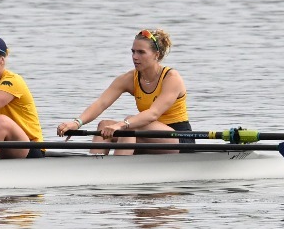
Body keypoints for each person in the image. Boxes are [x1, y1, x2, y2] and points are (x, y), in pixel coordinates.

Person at [56, 29, 192, 154]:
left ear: (156, 55)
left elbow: (153, 114)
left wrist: (122, 124)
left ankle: (118, 172)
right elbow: (101, 103)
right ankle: (93, 170)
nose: (135, 57)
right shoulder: (128, 79)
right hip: (147, 134)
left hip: (179, 138)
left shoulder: (171, 78)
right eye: (133, 51)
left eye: (141, 52)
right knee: (104, 126)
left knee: (129, 124)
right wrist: (77, 123)